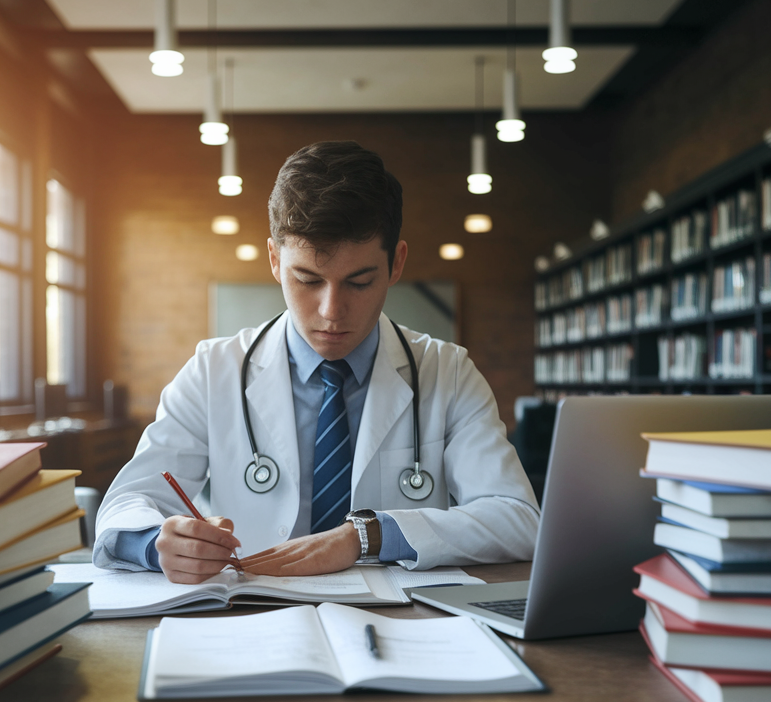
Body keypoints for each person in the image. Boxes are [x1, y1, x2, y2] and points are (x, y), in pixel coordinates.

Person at [93, 141, 538, 583]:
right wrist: (159, 545)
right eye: (307, 279)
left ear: (396, 263)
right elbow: (124, 508)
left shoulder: (448, 372)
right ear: (274, 260)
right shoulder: (214, 370)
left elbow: (519, 519)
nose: (331, 311)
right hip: (251, 616)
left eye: (359, 282)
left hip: (403, 623)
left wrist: (366, 537)